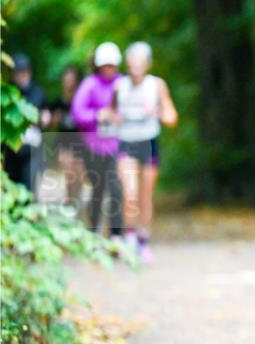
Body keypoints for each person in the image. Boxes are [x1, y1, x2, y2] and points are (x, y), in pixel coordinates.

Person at [113, 41, 178, 262]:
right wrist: (114, 118)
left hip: (149, 142)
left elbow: (171, 118)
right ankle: (129, 237)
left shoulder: (157, 85)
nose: (135, 66)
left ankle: (143, 240)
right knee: (129, 193)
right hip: (127, 143)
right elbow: (109, 114)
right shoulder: (119, 86)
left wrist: (157, 111)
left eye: (140, 61)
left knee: (145, 196)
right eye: (132, 61)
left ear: (148, 64)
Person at [72, 42, 125, 239]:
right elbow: (77, 113)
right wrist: (98, 115)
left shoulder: (122, 83)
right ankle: (93, 231)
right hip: (93, 146)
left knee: (116, 189)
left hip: (117, 145)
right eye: (106, 66)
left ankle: (116, 235)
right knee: (98, 188)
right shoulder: (90, 84)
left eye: (112, 65)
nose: (109, 70)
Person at [2, 53, 47, 191]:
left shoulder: (38, 92)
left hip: (32, 149)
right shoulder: (6, 92)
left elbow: (45, 117)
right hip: (10, 150)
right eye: (19, 72)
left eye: (25, 71)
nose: (22, 75)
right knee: (11, 187)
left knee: (29, 188)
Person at [44, 65, 87, 209]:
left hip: (81, 141)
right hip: (64, 141)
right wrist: (52, 119)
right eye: (66, 79)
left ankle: (77, 199)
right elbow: (47, 121)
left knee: (80, 175)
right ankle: (70, 201)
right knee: (69, 173)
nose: (68, 82)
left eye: (71, 79)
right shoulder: (58, 102)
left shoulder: (82, 100)